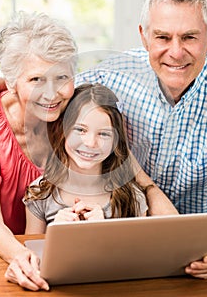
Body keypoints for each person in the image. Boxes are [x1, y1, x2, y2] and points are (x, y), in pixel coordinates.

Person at [0, 0, 207, 279]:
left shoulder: (72, 104)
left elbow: (139, 181)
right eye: (162, 37)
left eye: (189, 37)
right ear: (144, 36)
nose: (53, 93)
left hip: (182, 257)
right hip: (13, 258)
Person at [0, 11, 78, 291]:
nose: (51, 94)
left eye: (61, 77)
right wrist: (19, 255)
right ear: (10, 82)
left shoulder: (78, 117)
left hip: (62, 264)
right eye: (36, 80)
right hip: (3, 260)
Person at [23, 83, 148, 235]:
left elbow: (137, 256)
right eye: (80, 130)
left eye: (103, 134)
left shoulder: (131, 197)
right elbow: (31, 252)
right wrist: (54, 233)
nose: (90, 143)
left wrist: (104, 233)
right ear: (62, 130)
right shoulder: (40, 193)